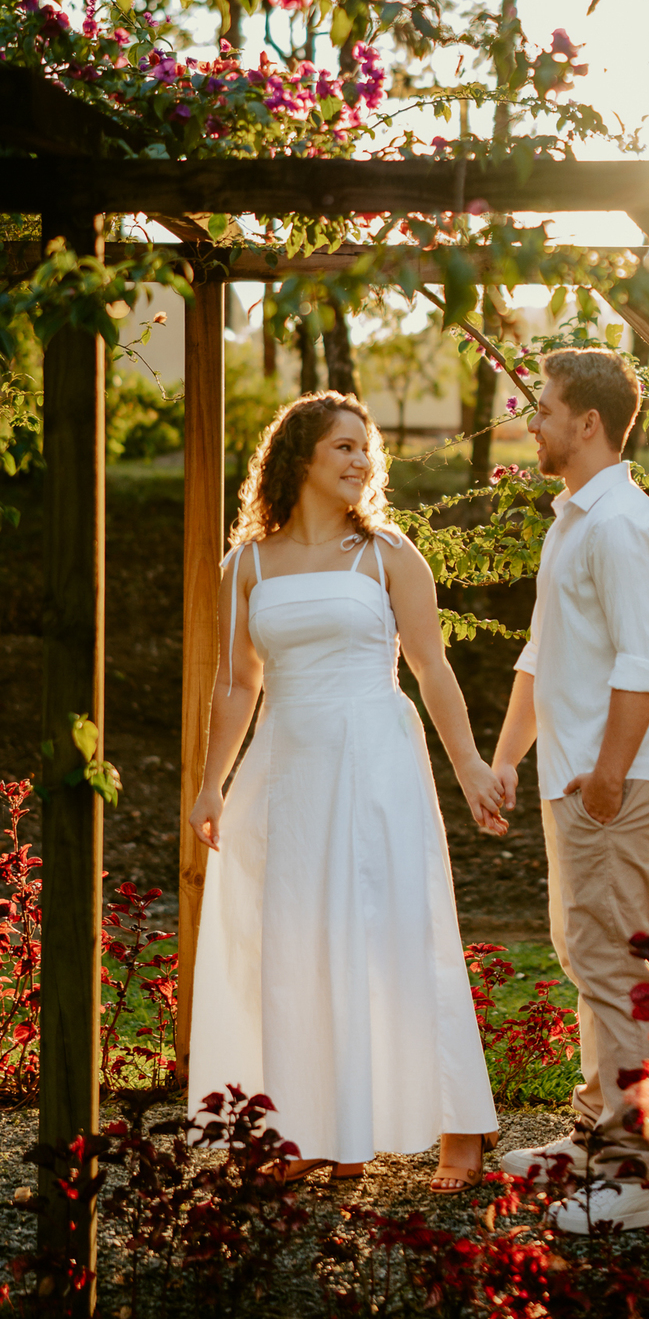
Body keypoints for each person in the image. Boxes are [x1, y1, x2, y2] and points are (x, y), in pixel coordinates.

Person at [187, 391, 504, 1194]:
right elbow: (235, 683)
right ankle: (324, 1129)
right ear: (299, 460)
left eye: (367, 448)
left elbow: (433, 669)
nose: (362, 460)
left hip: (375, 761)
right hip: (286, 768)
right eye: (343, 447)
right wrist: (210, 785)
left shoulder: (388, 553)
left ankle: (461, 1134)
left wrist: (467, 764)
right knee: (294, 941)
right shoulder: (246, 564)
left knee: (401, 925)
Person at [491, 348, 649, 1233]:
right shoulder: (571, 519)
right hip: (570, 772)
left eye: (545, 408)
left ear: (589, 422)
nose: (533, 422)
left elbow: (647, 661)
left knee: (611, 960)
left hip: (607, 776)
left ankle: (634, 1172)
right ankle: (592, 1129)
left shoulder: (624, 524)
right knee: (586, 953)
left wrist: (607, 776)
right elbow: (541, 652)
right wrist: (506, 759)